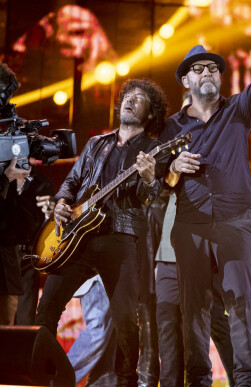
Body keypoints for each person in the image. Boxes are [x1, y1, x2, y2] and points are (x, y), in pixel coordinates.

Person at [157, 21, 251, 385]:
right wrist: (173, 168)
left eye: (213, 68)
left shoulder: (238, 111)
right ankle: (198, 378)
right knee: (194, 308)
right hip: (189, 225)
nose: (207, 73)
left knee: (241, 303)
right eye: (198, 69)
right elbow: (159, 180)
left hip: (234, 221)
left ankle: (245, 380)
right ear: (186, 82)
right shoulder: (170, 128)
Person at [35, 78, 168, 386]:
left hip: (119, 238)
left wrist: (149, 179)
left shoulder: (152, 149)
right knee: (47, 309)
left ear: (150, 114)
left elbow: (149, 197)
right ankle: (44, 377)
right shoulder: (97, 143)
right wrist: (62, 203)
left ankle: (125, 380)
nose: (131, 100)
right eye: (128, 96)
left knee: (125, 321)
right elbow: (72, 181)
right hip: (76, 238)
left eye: (140, 98)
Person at [155, 192, 235, 386]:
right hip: (168, 256)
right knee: (168, 329)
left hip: (205, 256)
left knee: (217, 325)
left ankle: (241, 380)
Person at [0, 157, 54, 325]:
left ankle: (23, 350)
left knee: (25, 320)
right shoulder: (3, 179)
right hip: (4, 255)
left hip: (27, 256)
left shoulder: (42, 184)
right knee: (4, 319)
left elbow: (48, 227)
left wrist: (50, 214)